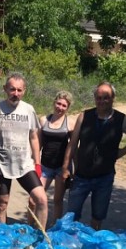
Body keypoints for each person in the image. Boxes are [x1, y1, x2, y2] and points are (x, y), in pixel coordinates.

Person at [62, 81, 126, 230]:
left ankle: (92, 244)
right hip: (81, 175)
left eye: (106, 97)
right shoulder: (84, 116)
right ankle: (70, 244)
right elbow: (73, 144)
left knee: (98, 216)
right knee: (72, 215)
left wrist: (121, 152)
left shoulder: (121, 119)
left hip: (104, 177)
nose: (102, 101)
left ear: (113, 98)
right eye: (98, 97)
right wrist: (65, 167)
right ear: (95, 98)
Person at [0, 73, 48, 229]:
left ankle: (40, 237)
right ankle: (2, 237)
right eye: (12, 89)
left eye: (19, 90)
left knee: (41, 200)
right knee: (2, 204)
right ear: (5, 89)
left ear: (24, 90)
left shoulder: (29, 109)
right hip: (2, 165)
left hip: (24, 165)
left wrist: (38, 163)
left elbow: (34, 137)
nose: (16, 93)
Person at [30, 90, 76, 225]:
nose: (60, 108)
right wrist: (34, 162)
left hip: (62, 167)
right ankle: (29, 227)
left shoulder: (70, 123)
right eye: (58, 103)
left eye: (64, 106)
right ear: (54, 102)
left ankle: (54, 228)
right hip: (44, 166)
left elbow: (73, 147)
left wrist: (73, 169)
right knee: (33, 199)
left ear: (67, 108)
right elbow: (37, 143)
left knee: (57, 200)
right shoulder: (44, 120)